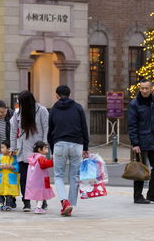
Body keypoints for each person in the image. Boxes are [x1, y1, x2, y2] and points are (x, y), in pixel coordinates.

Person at [48, 84, 89, 217]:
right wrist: (86, 147)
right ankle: (71, 204)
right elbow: (84, 127)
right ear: (69, 94)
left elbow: (50, 130)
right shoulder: (78, 107)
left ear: (57, 95)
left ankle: (64, 202)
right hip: (77, 144)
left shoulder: (54, 109)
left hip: (59, 144)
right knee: (74, 176)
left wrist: (52, 147)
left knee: (59, 175)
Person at [10, 90, 49, 211]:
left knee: (39, 178)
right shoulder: (18, 113)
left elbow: (46, 128)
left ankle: (42, 201)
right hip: (23, 150)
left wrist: (44, 146)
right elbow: (13, 131)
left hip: (37, 150)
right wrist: (12, 147)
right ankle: (26, 202)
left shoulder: (42, 111)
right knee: (24, 178)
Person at [127, 79, 154, 204]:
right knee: (140, 168)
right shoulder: (134, 104)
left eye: (146, 88)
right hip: (141, 140)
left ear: (151, 89)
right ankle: (137, 196)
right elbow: (132, 125)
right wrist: (135, 143)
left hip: (153, 139)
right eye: (142, 88)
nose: (144, 90)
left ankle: (152, 194)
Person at [24, 141, 54, 213]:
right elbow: (44, 165)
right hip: (40, 180)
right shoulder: (41, 157)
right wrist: (53, 161)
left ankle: (38, 207)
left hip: (33, 180)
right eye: (45, 148)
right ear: (40, 150)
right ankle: (38, 208)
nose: (47, 150)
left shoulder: (33, 157)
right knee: (40, 194)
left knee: (38, 194)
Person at [0, 143, 19, 211]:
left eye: (3, 147)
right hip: (1, 180)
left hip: (10, 180)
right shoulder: (0, 157)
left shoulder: (13, 157)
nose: (1, 149)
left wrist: (12, 167)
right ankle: (0, 204)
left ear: (9, 149)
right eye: (1, 147)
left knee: (9, 194)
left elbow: (17, 166)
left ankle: (8, 205)